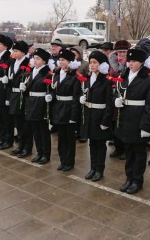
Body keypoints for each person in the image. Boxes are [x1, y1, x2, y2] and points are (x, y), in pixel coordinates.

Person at [114, 48, 150, 194]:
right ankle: (129, 177)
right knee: (128, 152)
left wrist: (146, 126)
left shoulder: (149, 79)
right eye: (129, 61)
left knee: (139, 153)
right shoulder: (124, 76)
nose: (131, 64)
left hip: (139, 121)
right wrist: (117, 101)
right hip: (126, 120)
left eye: (134, 61)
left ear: (141, 63)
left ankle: (137, 180)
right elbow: (118, 92)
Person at [80, 50, 114, 181]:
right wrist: (82, 99)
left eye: (95, 63)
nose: (92, 65)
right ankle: (92, 167)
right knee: (92, 144)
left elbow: (109, 103)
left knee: (100, 145)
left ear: (102, 64)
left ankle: (99, 169)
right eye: (90, 63)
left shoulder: (106, 81)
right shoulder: (89, 79)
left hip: (100, 117)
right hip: (90, 116)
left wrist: (106, 121)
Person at [19, 48, 53, 160]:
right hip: (31, 103)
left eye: (38, 58)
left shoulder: (47, 73)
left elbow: (51, 89)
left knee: (43, 130)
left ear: (44, 61)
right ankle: (39, 152)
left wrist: (50, 96)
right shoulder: (32, 71)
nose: (35, 60)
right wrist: (24, 88)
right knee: (35, 130)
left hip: (41, 104)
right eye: (34, 58)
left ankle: (46, 154)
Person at [51, 49, 81, 170]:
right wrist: (51, 97)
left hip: (68, 109)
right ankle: (63, 160)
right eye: (60, 60)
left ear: (70, 62)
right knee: (61, 137)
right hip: (58, 107)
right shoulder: (57, 74)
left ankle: (69, 162)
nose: (61, 62)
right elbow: (54, 89)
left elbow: (75, 98)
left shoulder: (75, 77)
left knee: (69, 138)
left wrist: (74, 117)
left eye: (63, 60)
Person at [5, 40, 30, 152]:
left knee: (24, 123)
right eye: (13, 50)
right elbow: (11, 78)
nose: (14, 53)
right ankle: (20, 145)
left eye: (16, 51)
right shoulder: (12, 63)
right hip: (13, 95)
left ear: (23, 52)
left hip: (22, 96)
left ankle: (26, 146)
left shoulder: (28, 64)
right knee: (17, 122)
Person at [108, 40, 131, 160]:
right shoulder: (111, 62)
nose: (121, 54)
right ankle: (117, 148)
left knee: (123, 123)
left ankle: (125, 149)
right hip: (113, 95)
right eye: (119, 52)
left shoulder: (130, 63)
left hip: (124, 94)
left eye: (124, 52)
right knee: (113, 123)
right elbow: (109, 75)